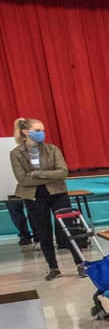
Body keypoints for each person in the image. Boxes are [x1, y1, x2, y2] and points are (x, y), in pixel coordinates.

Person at [9, 118, 85, 280]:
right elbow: (23, 179)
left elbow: (63, 172)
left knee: (68, 228)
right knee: (44, 232)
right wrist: (50, 176)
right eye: (37, 130)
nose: (41, 133)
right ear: (26, 132)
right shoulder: (16, 154)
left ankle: (80, 264)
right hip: (34, 196)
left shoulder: (52, 149)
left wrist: (38, 174)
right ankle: (53, 267)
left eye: (42, 130)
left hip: (58, 192)